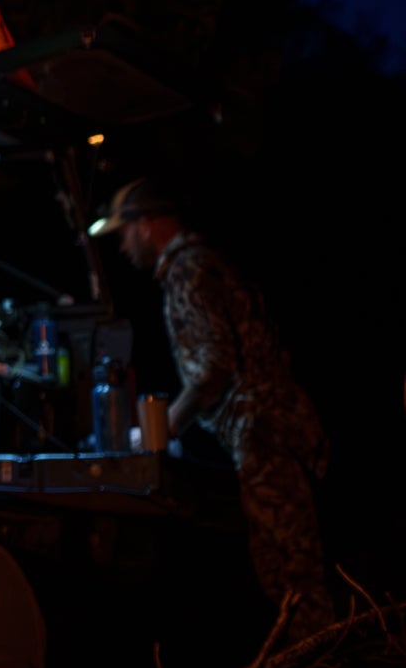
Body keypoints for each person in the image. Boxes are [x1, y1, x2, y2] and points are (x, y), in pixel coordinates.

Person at [89, 178, 333, 643]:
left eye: (124, 232)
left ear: (146, 225)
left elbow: (212, 368)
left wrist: (162, 431)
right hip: (272, 427)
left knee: (290, 571)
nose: (122, 245)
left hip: (263, 432)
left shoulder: (188, 270)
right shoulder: (203, 263)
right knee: (290, 565)